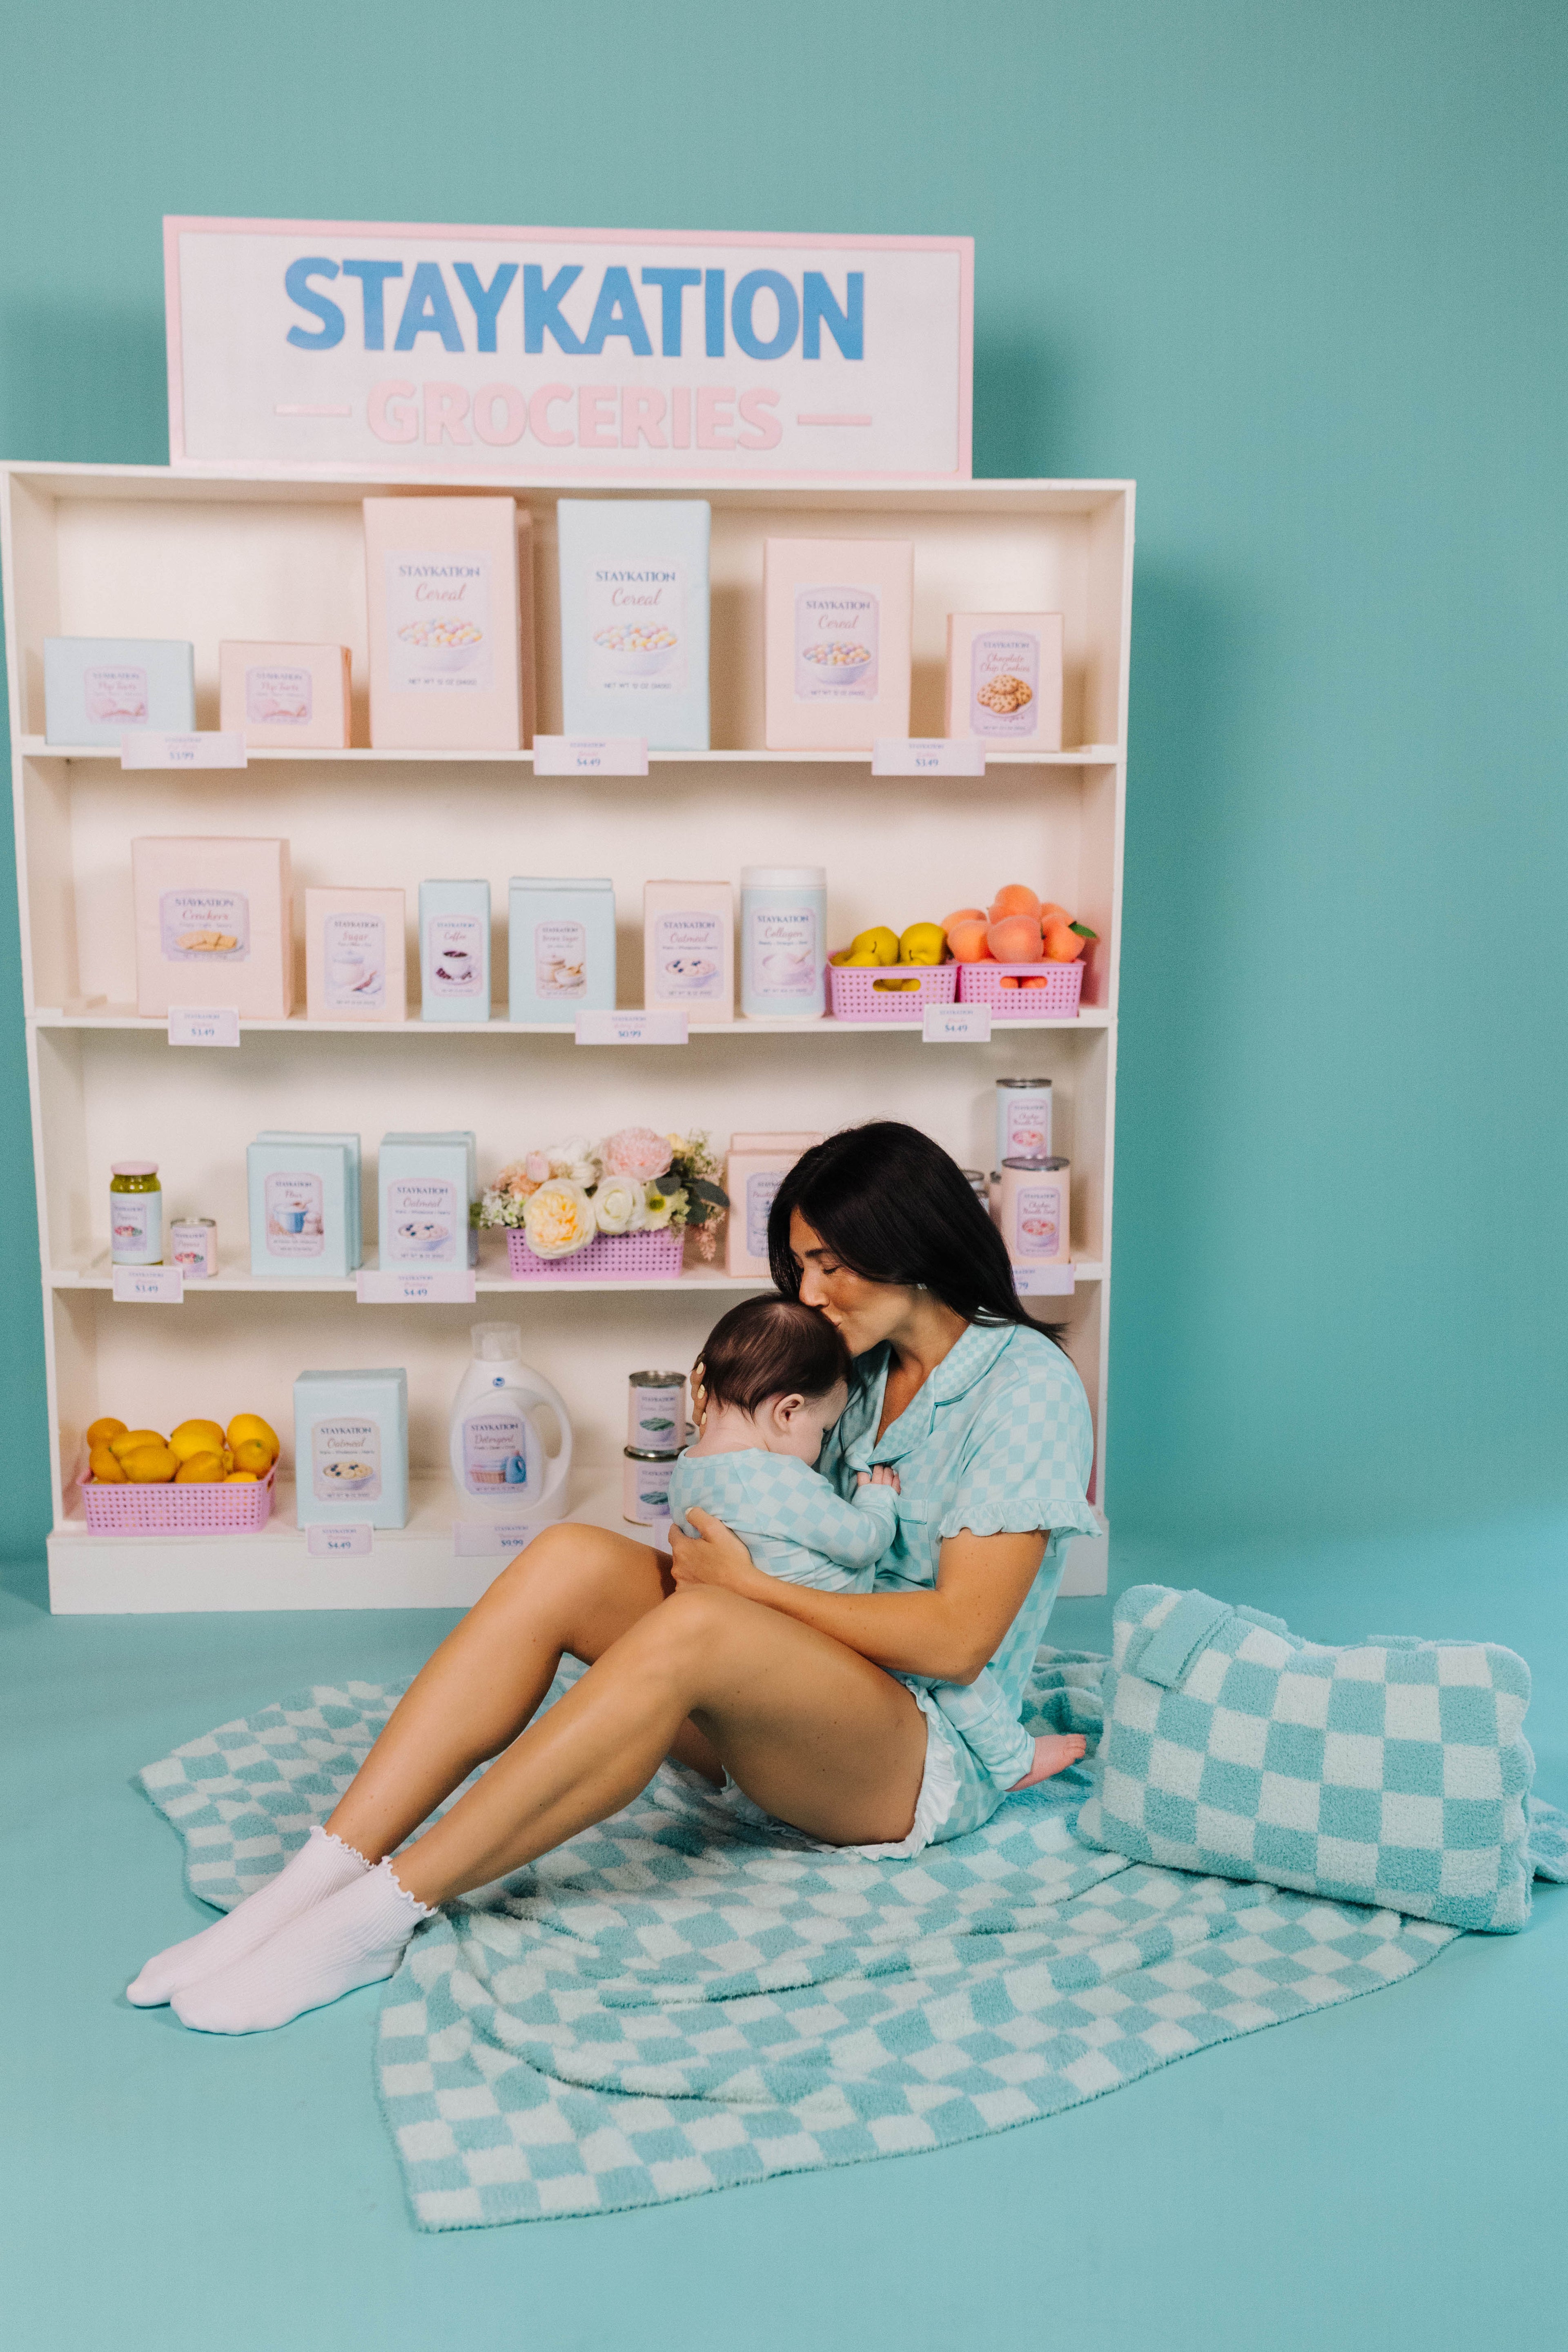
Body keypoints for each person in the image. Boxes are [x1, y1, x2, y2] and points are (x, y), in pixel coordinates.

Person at [127, 1121, 1100, 2036]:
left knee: (703, 1626)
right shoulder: (854, 1365)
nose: (806, 1292)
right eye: (800, 1263)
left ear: (911, 1246)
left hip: (905, 1757)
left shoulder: (1024, 1388)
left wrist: (748, 1591)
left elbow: (957, 1637)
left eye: (829, 1263)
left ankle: (370, 1921)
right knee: (569, 1556)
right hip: (790, 1703)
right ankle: (305, 1886)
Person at [669, 1290, 1076, 1790]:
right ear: (789, 1412)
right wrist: (878, 1502)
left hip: (750, 1635)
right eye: (824, 1430)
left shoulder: (688, 1469)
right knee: (940, 1675)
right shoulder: (779, 1480)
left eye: (831, 1267)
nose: (823, 1445)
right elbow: (860, 1542)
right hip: (828, 1620)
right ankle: (1013, 1759)